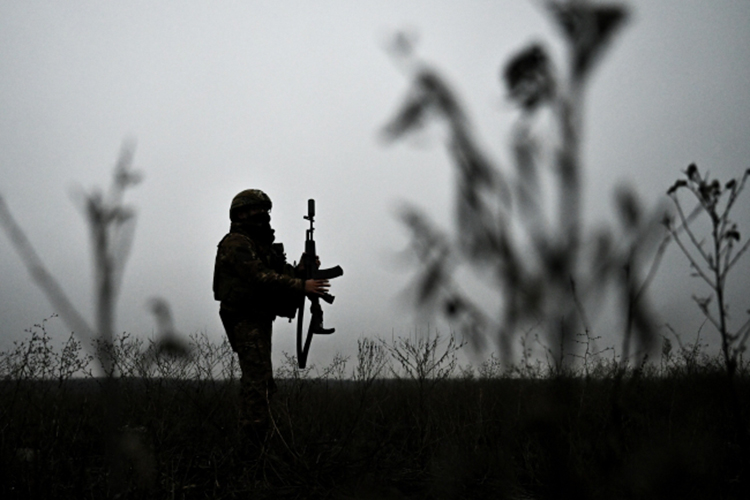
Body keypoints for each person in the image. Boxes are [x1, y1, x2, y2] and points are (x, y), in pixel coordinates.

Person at [212, 189, 329, 445]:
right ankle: (254, 443)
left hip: (258, 316)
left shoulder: (257, 245)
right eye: (258, 209)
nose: (264, 215)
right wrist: (302, 286)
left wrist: (299, 271)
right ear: (242, 213)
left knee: (262, 379)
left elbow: (276, 272)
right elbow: (258, 277)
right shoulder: (236, 243)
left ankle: (259, 436)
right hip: (244, 317)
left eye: (266, 210)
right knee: (257, 381)